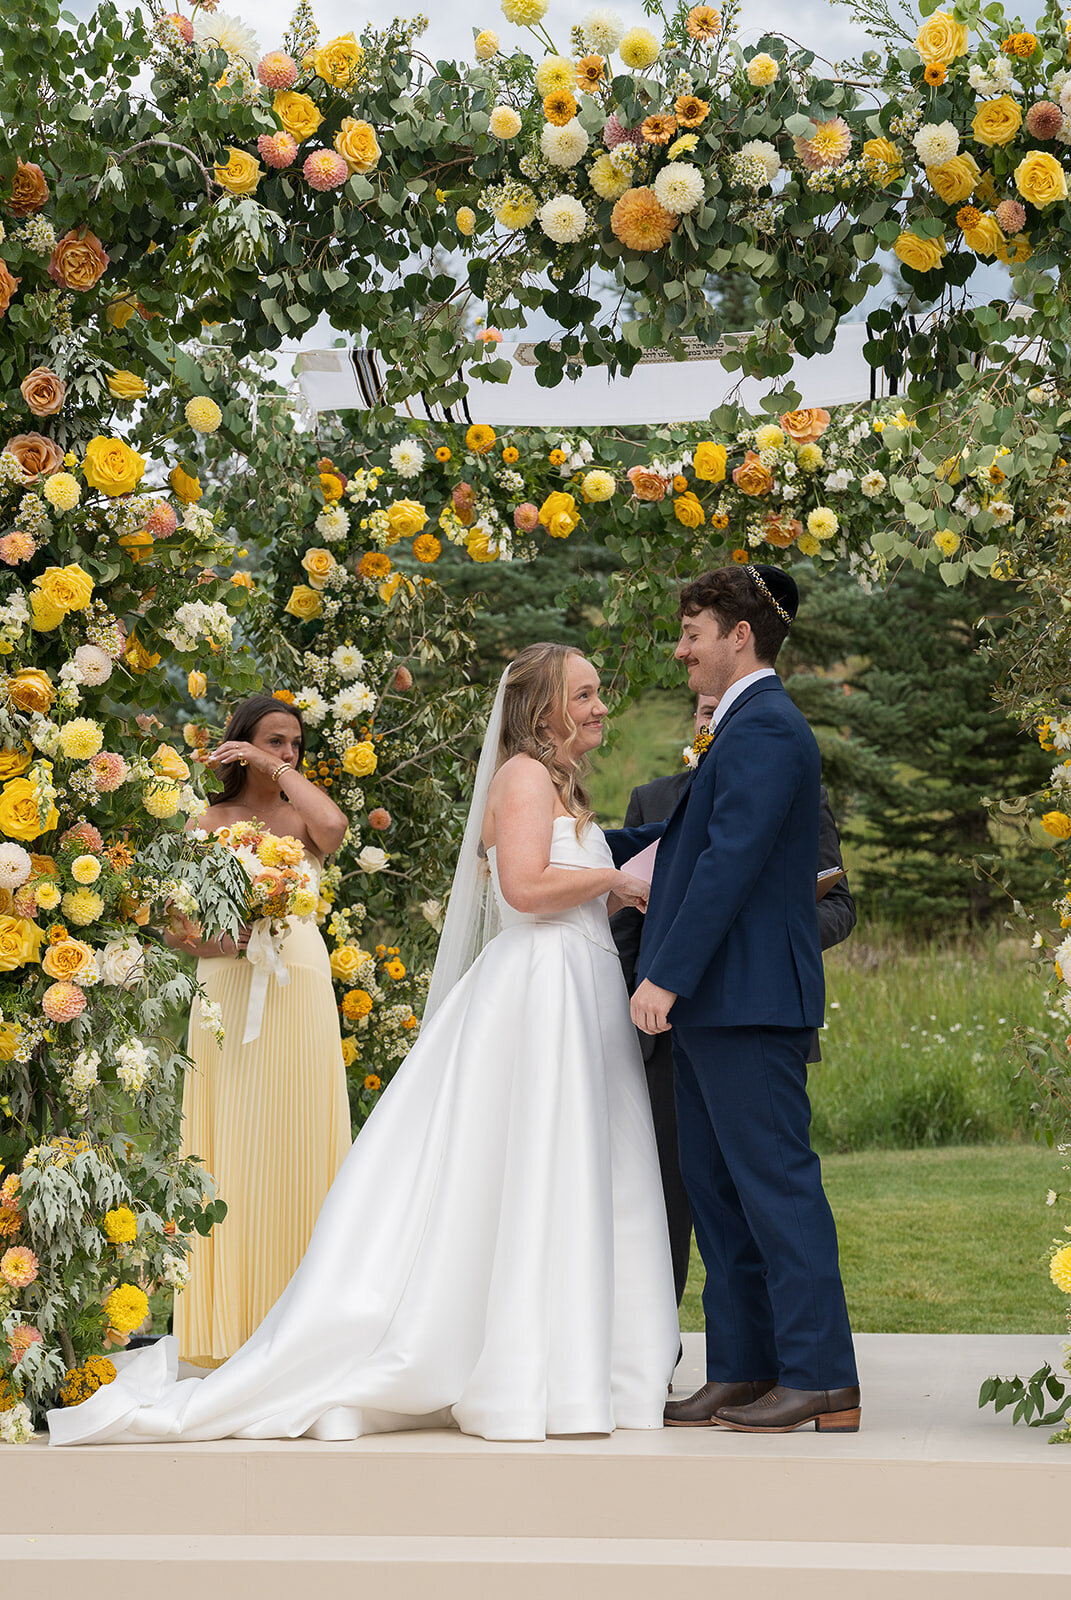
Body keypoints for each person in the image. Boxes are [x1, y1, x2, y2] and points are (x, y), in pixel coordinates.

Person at [48, 645, 678, 1447]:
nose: (598, 708)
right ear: (544, 708)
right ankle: (525, 1369)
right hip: (540, 988)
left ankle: (580, 1364)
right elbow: (523, 888)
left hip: (571, 988)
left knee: (577, 1172)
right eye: (583, 695)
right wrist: (616, 879)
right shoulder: (522, 775)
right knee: (536, 1168)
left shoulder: (555, 784)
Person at [607, 566, 860, 1435]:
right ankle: (746, 1367)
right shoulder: (740, 726)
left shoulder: (764, 728)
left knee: (776, 1189)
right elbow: (682, 841)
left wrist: (663, 975)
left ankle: (822, 1378)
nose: (681, 649)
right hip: (720, 1003)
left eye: (692, 632)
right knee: (716, 1192)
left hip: (745, 999)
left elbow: (726, 865)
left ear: (738, 636)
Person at [611, 694, 856, 1309]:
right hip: (665, 1027)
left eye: (719, 708)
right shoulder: (655, 800)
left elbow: (837, 905)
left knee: (760, 1195)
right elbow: (631, 926)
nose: (708, 717)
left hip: (751, 1011)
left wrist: (764, 931)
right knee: (671, 1196)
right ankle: (655, 1359)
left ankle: (777, 1367)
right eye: (701, 711)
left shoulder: (795, 791)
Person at [164, 694, 351, 1368]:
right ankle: (223, 1330)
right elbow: (172, 924)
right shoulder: (205, 822)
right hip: (228, 984)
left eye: (294, 745)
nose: (287, 754)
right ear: (237, 743)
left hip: (296, 981)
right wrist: (214, 946)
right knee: (230, 1138)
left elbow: (334, 827)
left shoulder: (302, 815)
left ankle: (306, 1322)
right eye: (274, 741)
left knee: (301, 1133)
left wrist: (273, 771)